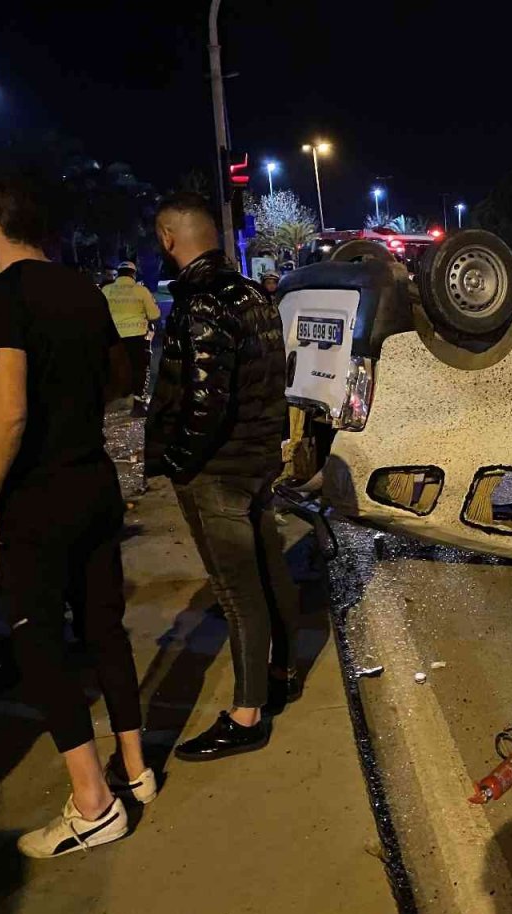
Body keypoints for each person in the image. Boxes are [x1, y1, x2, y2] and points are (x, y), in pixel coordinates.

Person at [0, 167, 154, 858]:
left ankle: (94, 803)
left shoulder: (2, 294)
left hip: (39, 497)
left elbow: (7, 405)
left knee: (37, 642)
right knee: (104, 626)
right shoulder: (82, 287)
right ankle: (135, 767)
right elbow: (118, 376)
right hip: (94, 481)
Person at [146, 192, 301, 760]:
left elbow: (204, 402)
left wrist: (180, 461)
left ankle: (247, 714)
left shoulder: (202, 300)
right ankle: (278, 676)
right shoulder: (252, 296)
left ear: (169, 238)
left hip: (220, 471)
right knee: (267, 574)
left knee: (238, 594)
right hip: (255, 461)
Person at [101, 260, 162, 416]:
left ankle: (112, 401)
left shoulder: (106, 290)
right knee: (140, 369)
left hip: (113, 338)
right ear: (133, 274)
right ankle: (138, 405)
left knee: (113, 368)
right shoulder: (140, 291)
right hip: (136, 336)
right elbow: (154, 315)